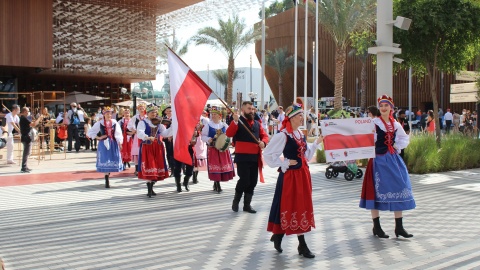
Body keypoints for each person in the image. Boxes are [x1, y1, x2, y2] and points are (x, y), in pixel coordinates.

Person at [263, 102, 322, 258]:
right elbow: (268, 154)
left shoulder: (300, 134)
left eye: (302, 115)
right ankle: (302, 245)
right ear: (292, 118)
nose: (302, 118)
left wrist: (317, 142)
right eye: (299, 116)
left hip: (302, 175)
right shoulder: (283, 135)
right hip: (290, 177)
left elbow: (307, 155)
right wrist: (284, 162)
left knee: (297, 207)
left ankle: (278, 235)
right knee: (292, 207)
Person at [359, 95, 415, 239]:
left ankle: (399, 227)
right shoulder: (373, 122)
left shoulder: (395, 123)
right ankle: (377, 227)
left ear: (391, 107)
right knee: (376, 192)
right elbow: (362, 137)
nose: (383, 108)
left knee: (400, 186)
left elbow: (403, 138)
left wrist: (396, 146)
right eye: (381, 106)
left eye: (386, 105)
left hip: (393, 159)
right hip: (378, 160)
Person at [226, 101, 269, 214]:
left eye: (253, 109)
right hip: (242, 157)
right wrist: (235, 121)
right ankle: (236, 201)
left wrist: (263, 142)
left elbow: (264, 136)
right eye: (249, 108)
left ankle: (247, 205)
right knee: (244, 180)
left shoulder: (257, 123)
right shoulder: (238, 122)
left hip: (255, 157)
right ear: (243, 110)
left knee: (253, 182)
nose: (252, 111)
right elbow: (229, 134)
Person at [136, 104, 172, 197]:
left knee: (157, 166)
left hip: (158, 147)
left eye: (155, 112)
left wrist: (172, 127)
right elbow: (140, 133)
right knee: (150, 165)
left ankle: (152, 187)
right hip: (147, 147)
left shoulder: (159, 123)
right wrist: (147, 137)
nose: (154, 114)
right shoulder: (143, 122)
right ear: (147, 113)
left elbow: (165, 133)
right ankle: (149, 189)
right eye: (152, 112)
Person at [87, 107, 123, 188]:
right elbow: (90, 132)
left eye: (110, 114)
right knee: (105, 159)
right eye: (107, 114)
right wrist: (98, 137)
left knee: (112, 159)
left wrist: (120, 143)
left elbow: (118, 133)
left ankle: (107, 175)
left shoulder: (114, 122)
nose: (109, 115)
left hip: (113, 143)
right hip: (103, 143)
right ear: (104, 115)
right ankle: (106, 178)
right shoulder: (100, 123)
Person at [201, 108, 235, 193]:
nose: (213, 116)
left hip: (223, 149)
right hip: (213, 149)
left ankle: (217, 182)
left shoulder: (224, 125)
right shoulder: (208, 125)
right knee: (215, 166)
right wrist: (209, 139)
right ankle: (217, 183)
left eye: (215, 114)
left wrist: (228, 142)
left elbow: (229, 135)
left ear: (219, 116)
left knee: (221, 166)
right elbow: (203, 136)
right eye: (212, 114)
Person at [19, 107, 43, 173]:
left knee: (27, 152)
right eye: (27, 111)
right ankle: (24, 167)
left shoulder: (24, 118)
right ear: (24, 112)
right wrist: (39, 118)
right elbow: (33, 124)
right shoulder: (23, 118)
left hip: (26, 136)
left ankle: (25, 166)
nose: (28, 112)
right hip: (26, 137)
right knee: (26, 152)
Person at [127, 102, 147, 176]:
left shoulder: (147, 117)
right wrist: (133, 130)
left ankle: (144, 168)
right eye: (140, 109)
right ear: (138, 110)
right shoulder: (135, 117)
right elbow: (129, 126)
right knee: (137, 152)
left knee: (144, 151)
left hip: (145, 136)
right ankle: (137, 169)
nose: (142, 110)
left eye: (143, 108)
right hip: (137, 136)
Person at [161, 106, 174, 172]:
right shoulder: (163, 119)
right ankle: (171, 167)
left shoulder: (174, 119)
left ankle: (177, 167)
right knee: (168, 153)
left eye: (170, 111)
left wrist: (171, 135)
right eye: (167, 111)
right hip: (166, 138)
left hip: (173, 138)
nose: (168, 112)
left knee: (174, 152)